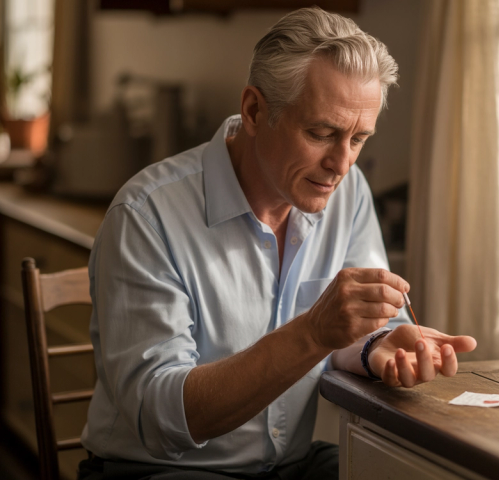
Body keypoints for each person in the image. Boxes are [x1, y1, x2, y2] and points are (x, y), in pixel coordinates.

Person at [78, 7, 476, 480]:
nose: (341, 164)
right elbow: (162, 419)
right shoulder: (146, 216)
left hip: (290, 465)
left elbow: (353, 328)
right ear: (253, 110)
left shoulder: (346, 195)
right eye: (321, 133)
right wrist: (312, 332)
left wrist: (379, 344)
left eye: (358, 139)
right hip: (160, 469)